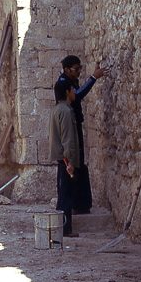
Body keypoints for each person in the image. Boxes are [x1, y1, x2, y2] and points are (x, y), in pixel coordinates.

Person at [55, 55, 109, 213]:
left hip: (74, 124)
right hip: (69, 127)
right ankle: (70, 206)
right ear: (67, 70)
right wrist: (93, 78)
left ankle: (79, 205)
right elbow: (77, 95)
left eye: (80, 68)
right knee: (71, 165)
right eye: (76, 69)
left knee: (78, 164)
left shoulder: (71, 81)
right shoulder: (64, 83)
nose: (79, 71)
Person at [49, 79, 80, 237]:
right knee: (66, 196)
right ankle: (65, 229)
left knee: (63, 194)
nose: (74, 92)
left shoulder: (57, 109)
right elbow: (68, 139)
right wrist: (71, 162)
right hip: (66, 160)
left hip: (62, 159)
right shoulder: (66, 112)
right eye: (72, 89)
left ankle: (60, 227)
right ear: (67, 92)